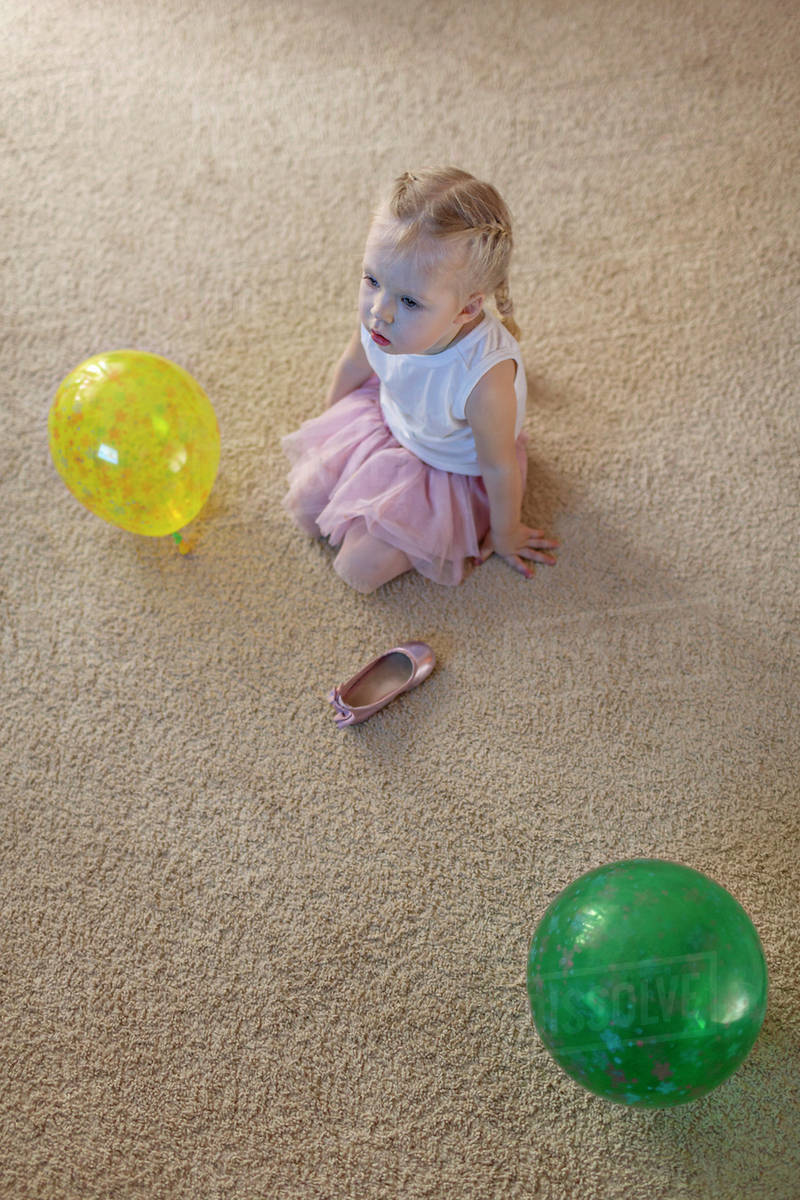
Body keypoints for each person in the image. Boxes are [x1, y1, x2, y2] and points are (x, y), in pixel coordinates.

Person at [282, 166, 558, 592]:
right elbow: (354, 367)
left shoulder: (485, 380)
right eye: (372, 280)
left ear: (467, 309)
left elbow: (498, 465)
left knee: (360, 570)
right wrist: (332, 443)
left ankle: (436, 523)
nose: (380, 310)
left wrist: (506, 533)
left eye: (409, 301)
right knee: (305, 503)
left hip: (448, 468)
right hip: (390, 419)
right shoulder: (383, 322)